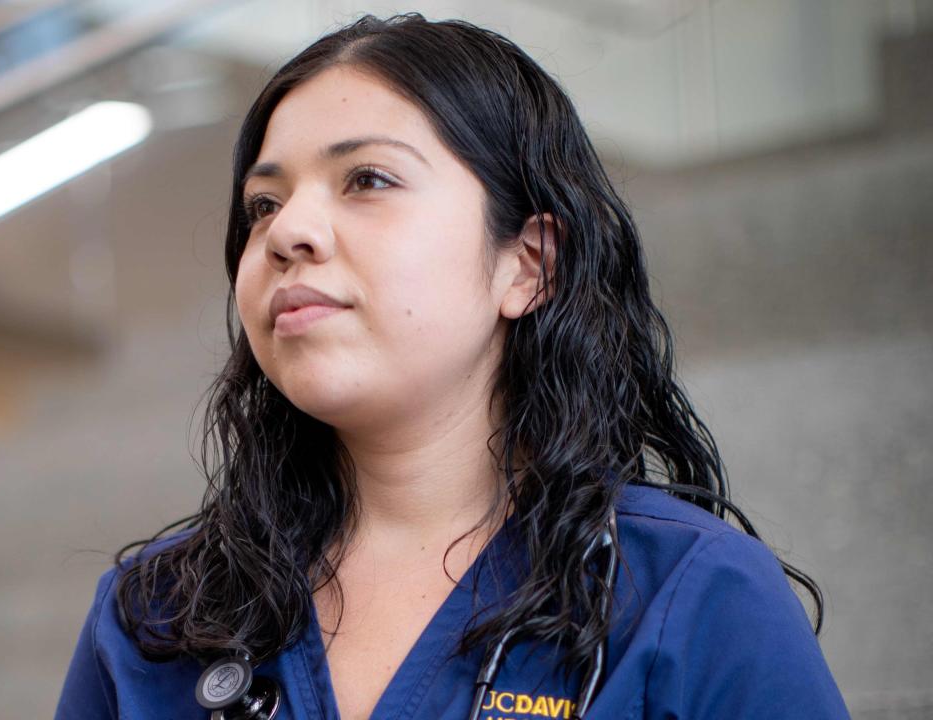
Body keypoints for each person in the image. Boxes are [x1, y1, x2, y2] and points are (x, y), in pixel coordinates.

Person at [54, 13, 850, 720]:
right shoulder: (151, 617)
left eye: (368, 179)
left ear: (528, 265)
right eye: (263, 203)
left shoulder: (694, 594)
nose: (286, 230)